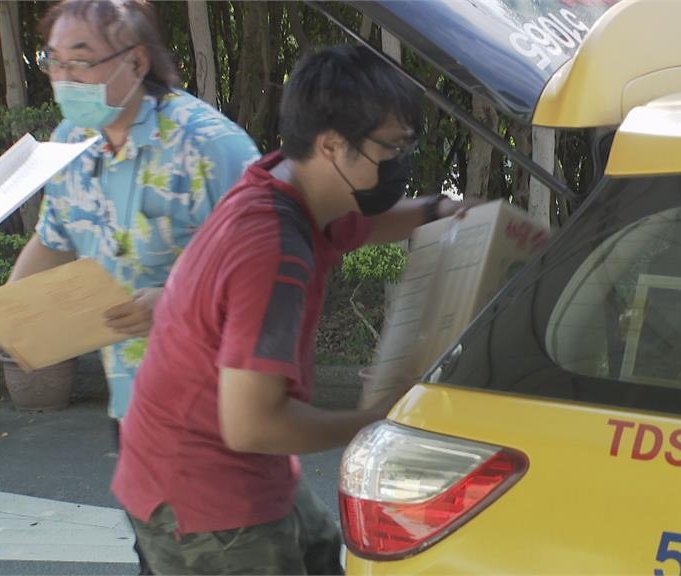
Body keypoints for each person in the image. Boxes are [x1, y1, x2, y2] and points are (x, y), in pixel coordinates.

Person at [111, 45, 462, 575]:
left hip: (215, 461)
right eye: (390, 149)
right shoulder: (274, 250)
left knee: (320, 552)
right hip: (205, 495)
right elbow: (252, 425)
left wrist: (443, 211)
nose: (399, 164)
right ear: (331, 146)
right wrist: (374, 421)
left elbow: (367, 224)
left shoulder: (286, 183)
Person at [9, 0, 261, 427]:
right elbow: (54, 239)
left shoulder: (211, 146)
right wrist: (10, 317)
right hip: (132, 405)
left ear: (137, 61)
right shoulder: (71, 141)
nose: (64, 78)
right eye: (54, 61)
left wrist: (175, 303)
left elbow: (273, 265)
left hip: (221, 407)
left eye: (81, 62)